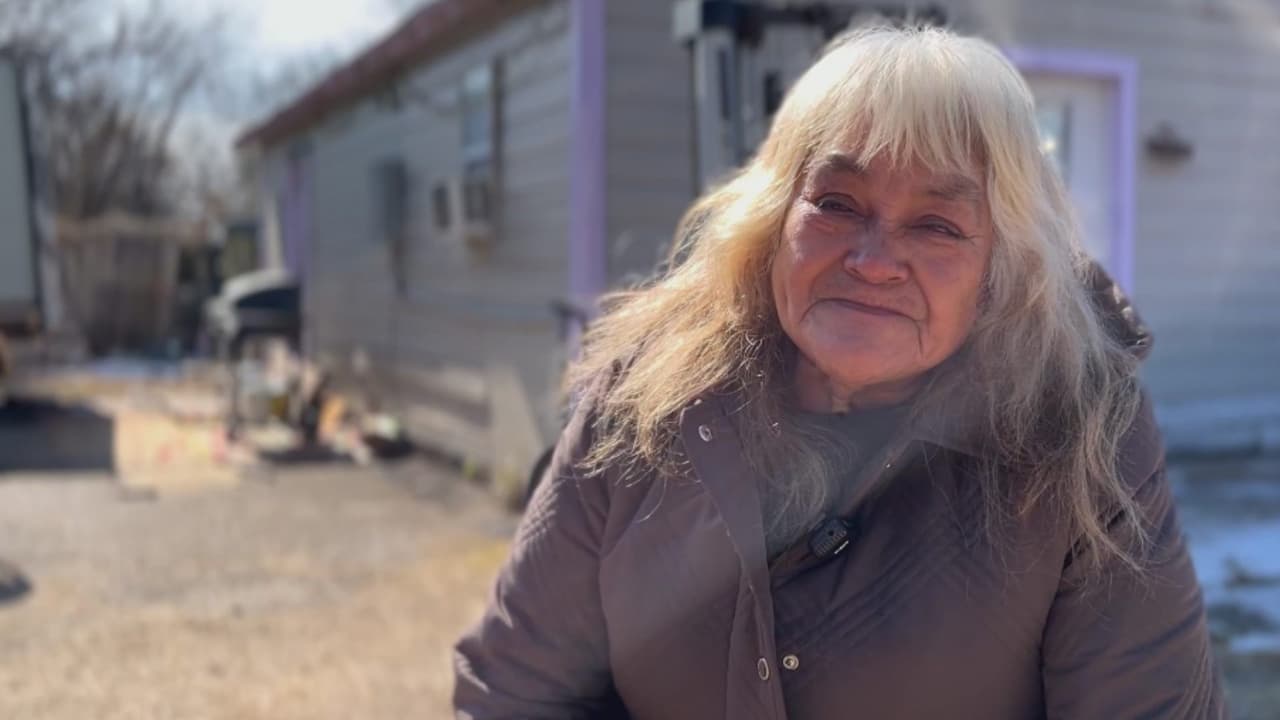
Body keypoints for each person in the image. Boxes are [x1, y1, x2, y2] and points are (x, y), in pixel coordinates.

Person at [453, 24, 1225, 719]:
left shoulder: (1081, 434)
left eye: (936, 224)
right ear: (772, 219)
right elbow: (517, 690)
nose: (872, 260)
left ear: (1003, 271)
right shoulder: (644, 398)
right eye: (836, 202)